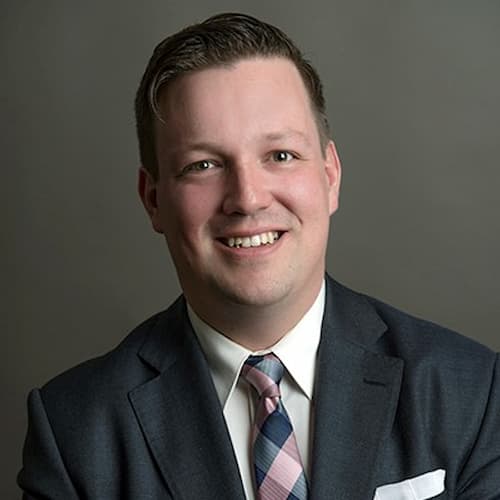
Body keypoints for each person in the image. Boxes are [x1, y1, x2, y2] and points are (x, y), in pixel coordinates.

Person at [18, 12, 499, 500]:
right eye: (203, 164)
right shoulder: (75, 435)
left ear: (330, 175)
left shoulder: (470, 394)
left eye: (281, 156)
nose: (247, 198)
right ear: (154, 199)